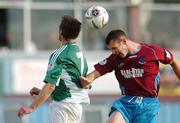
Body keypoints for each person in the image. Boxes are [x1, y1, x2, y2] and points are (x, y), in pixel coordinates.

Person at [81, 29, 180, 123]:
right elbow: (98, 71)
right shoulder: (115, 58)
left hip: (148, 103)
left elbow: (173, 61)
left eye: (114, 48)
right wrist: (88, 79)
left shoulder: (152, 51)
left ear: (123, 41)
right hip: (127, 101)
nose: (113, 52)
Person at [17, 15, 89, 123]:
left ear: (61, 32)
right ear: (77, 34)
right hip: (75, 107)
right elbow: (76, 85)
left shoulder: (59, 54)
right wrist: (41, 92)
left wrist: (31, 107)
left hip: (63, 107)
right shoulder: (80, 54)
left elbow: (51, 86)